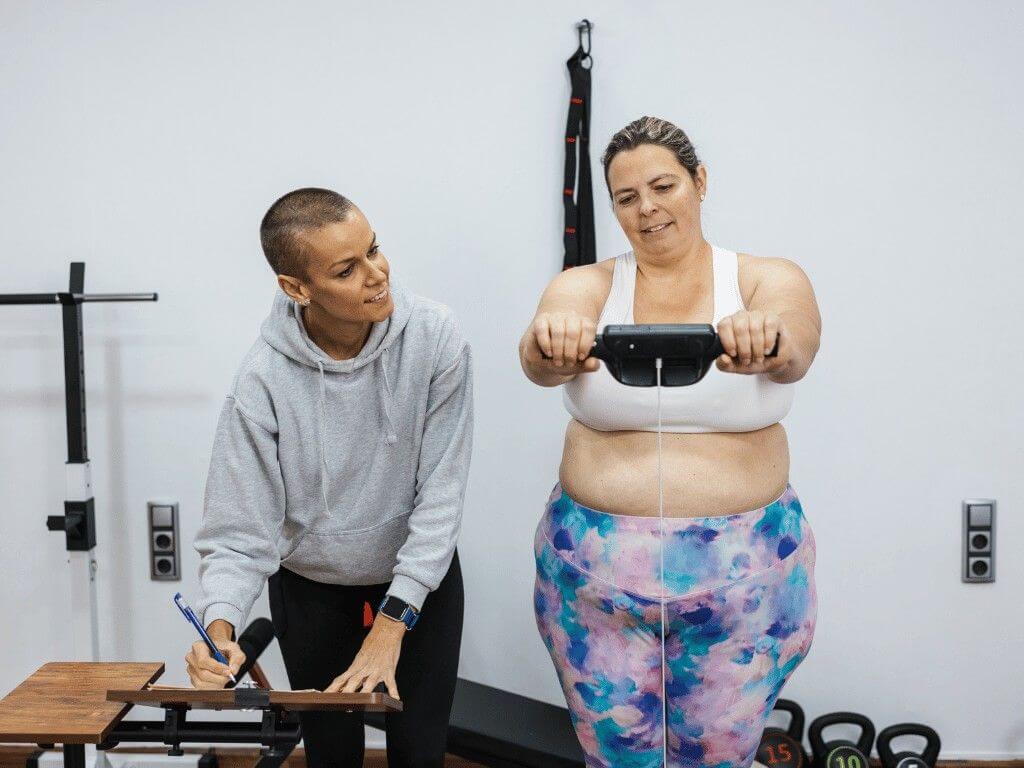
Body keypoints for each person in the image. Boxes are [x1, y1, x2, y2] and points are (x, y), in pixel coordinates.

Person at [521, 117, 821, 768]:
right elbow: (537, 355)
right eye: (626, 198)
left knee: (718, 756)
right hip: (598, 586)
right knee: (617, 756)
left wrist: (765, 334)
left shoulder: (764, 279)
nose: (647, 208)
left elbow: (795, 347)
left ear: (699, 182)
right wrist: (555, 342)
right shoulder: (586, 286)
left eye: (663, 186)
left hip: (737, 588)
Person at [186, 188, 473, 768]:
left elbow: (440, 501)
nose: (377, 275)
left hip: (416, 582)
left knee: (420, 752)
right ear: (297, 288)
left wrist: (391, 628)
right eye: (347, 269)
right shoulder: (261, 383)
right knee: (332, 756)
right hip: (311, 589)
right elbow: (239, 532)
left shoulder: (436, 339)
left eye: (375, 250)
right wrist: (219, 631)